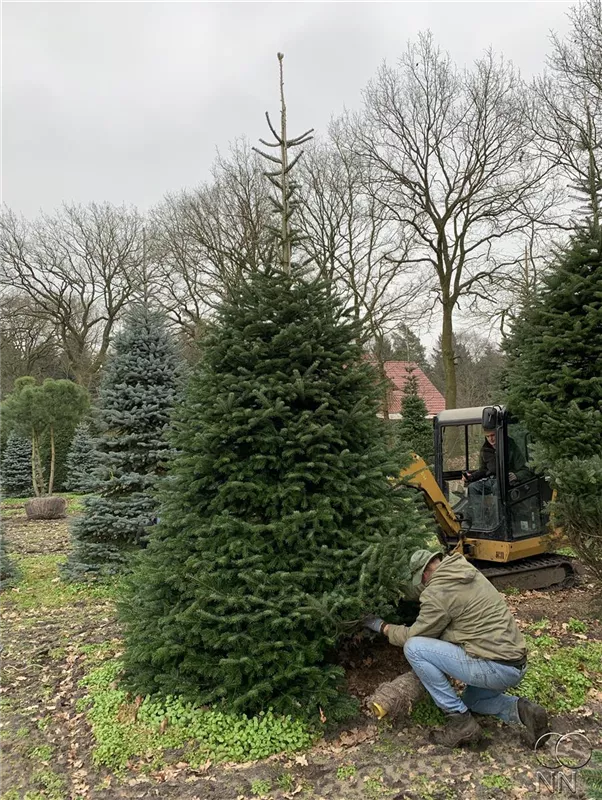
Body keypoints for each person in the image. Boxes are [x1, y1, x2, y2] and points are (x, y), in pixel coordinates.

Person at [363, 549, 549, 748]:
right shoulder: (464, 571)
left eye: (421, 581)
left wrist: (382, 626)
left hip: (493, 666)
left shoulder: (438, 594)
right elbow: (433, 595)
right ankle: (525, 711)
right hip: (515, 664)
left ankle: (460, 724)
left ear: (424, 574)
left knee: (414, 647)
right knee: (473, 701)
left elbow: (415, 634)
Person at [463, 425, 531, 487]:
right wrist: (471, 476)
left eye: (492, 435)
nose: (490, 439)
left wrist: (516, 476)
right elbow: (483, 470)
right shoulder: (485, 450)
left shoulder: (510, 448)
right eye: (487, 436)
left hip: (507, 483)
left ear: (499, 434)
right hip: (491, 480)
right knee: (472, 487)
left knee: (497, 487)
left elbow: (525, 470)